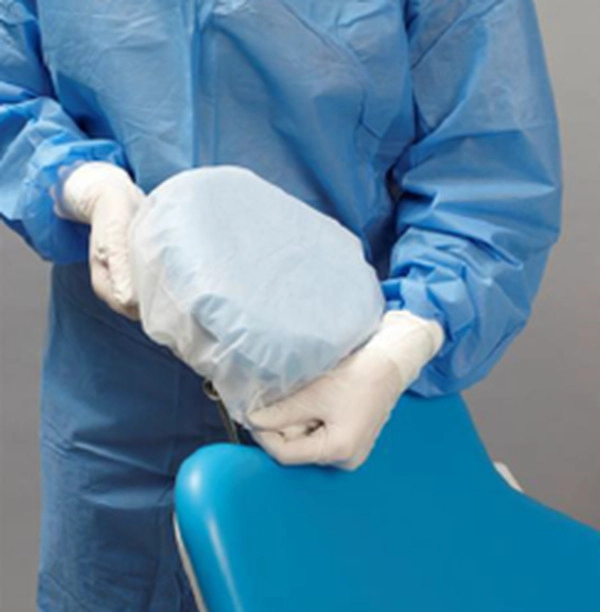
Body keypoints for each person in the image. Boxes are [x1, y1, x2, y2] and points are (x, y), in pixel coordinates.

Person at [0, 0, 561, 610]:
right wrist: (83, 183)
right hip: (116, 403)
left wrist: (402, 345)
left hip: (340, 380)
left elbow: (488, 175)